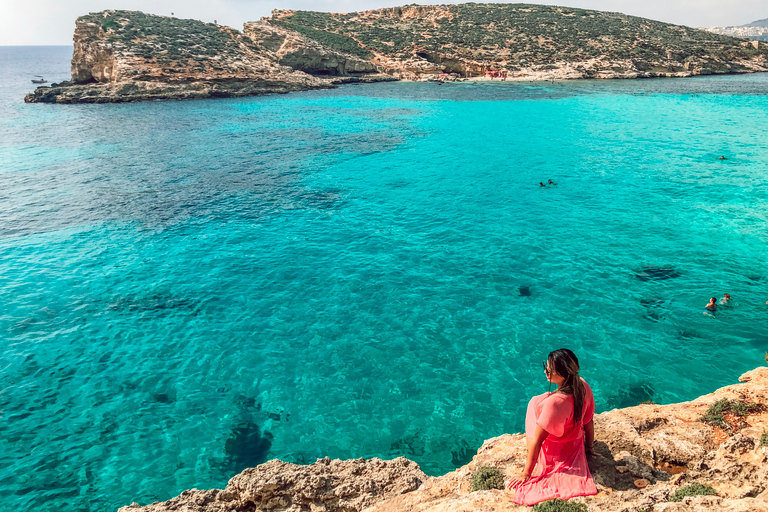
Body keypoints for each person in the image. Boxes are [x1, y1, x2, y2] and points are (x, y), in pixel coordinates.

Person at [507, 349, 597, 505]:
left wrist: (526, 473)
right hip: (575, 442)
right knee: (537, 400)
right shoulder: (582, 384)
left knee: (533, 405)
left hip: (557, 451)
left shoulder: (554, 404)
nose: (545, 371)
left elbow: (538, 441)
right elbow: (588, 421)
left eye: (549, 369)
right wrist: (588, 446)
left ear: (562, 374)